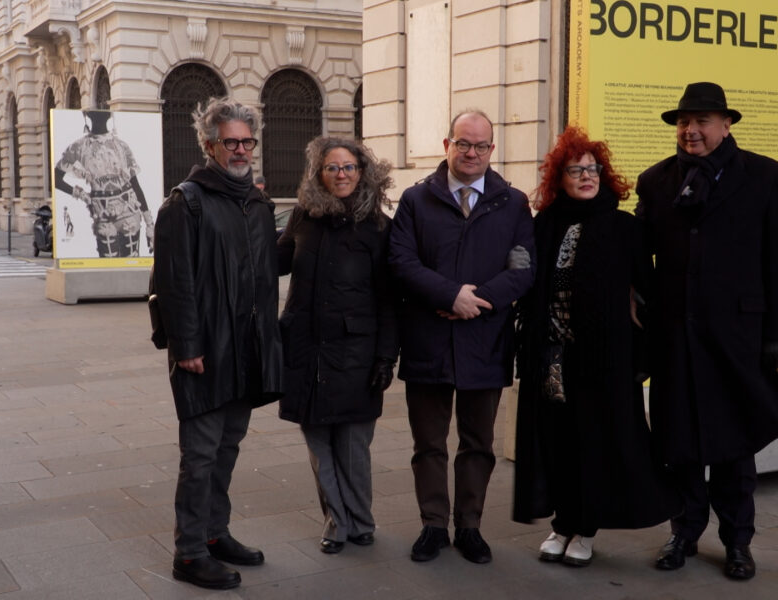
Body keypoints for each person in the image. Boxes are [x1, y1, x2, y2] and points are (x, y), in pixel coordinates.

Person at [635, 82, 778, 580]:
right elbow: (640, 255)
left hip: (737, 336)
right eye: (683, 122)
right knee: (678, 441)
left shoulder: (765, 177)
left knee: (735, 445)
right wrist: (638, 300)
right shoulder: (655, 182)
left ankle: (738, 542)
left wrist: (775, 334)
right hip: (675, 337)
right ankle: (684, 531)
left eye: (701, 121)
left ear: (726, 124)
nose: (690, 131)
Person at [512, 126, 680, 567]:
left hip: (604, 361)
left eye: (593, 169)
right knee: (559, 442)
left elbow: (648, 290)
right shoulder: (545, 225)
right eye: (576, 170)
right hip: (553, 357)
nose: (587, 176)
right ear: (559, 178)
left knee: (596, 443)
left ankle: (585, 530)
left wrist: (638, 335)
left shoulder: (625, 228)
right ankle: (563, 523)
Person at [389, 110, 535, 564]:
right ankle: (433, 525)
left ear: (492, 150)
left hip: (485, 341)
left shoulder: (513, 203)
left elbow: (523, 267)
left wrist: (479, 301)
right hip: (428, 339)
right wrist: (451, 295)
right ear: (446, 145)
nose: (471, 153)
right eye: (463, 143)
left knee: (479, 443)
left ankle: (469, 526)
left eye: (481, 146)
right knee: (428, 443)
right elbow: (401, 261)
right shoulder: (416, 200)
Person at [152, 96, 283, 590]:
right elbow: (174, 282)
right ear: (210, 145)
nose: (241, 150)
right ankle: (188, 553)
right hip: (204, 352)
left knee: (228, 447)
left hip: (246, 349)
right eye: (231, 142)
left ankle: (214, 534)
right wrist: (186, 346)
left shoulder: (257, 201)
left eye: (247, 141)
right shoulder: (186, 202)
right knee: (201, 454)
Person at [277, 136, 399, 555]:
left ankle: (361, 520)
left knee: (352, 444)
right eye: (332, 168)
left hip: (356, 351)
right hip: (306, 347)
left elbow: (389, 298)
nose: (341, 174)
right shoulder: (302, 217)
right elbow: (272, 263)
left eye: (348, 167)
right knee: (317, 442)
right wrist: (249, 221)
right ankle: (336, 521)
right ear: (319, 175)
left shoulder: (380, 226)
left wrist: (386, 356)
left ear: (363, 172)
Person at [54, 110, 154, 257]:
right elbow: (56, 179)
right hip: (102, 213)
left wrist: (150, 224)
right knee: (108, 267)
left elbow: (135, 185)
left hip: (129, 211)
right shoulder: (78, 147)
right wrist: (82, 195)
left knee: (130, 264)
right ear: (86, 116)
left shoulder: (121, 146)